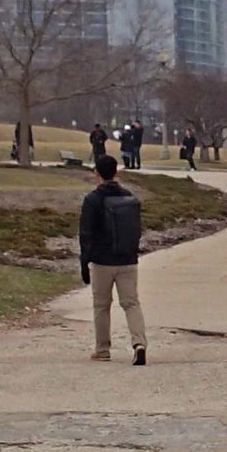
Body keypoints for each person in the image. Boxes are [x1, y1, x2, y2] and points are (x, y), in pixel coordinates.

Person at [80, 152, 148, 364]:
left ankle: (102, 349)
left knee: (101, 305)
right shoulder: (129, 197)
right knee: (131, 303)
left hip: (102, 261)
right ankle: (139, 343)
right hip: (127, 259)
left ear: (96, 173)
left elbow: (86, 234)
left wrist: (84, 261)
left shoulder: (92, 200)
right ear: (116, 172)